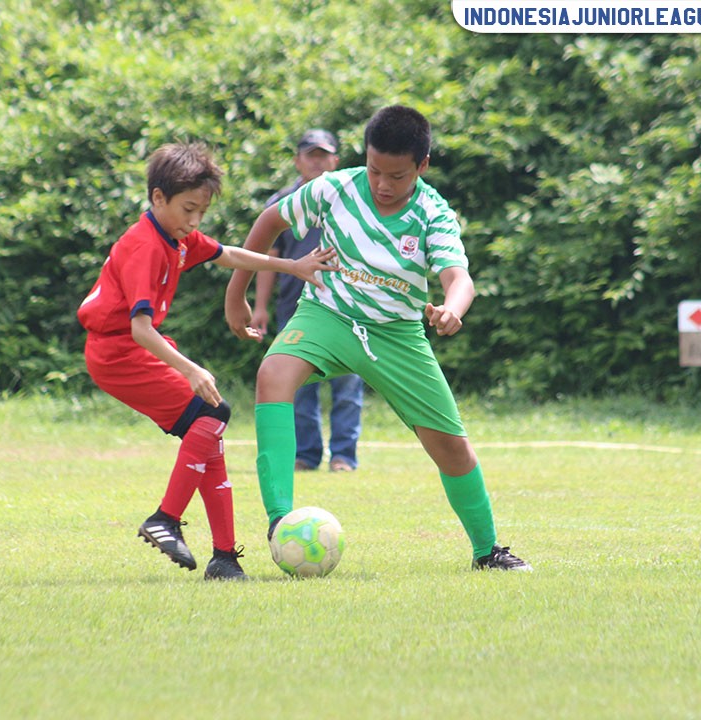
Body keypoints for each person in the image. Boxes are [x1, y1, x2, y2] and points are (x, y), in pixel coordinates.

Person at [225, 106, 531, 571]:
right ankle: (280, 522)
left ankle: (488, 551)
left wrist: (453, 308)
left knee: (450, 445)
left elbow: (458, 275)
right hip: (327, 314)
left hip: (397, 335)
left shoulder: (432, 212)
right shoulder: (332, 188)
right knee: (272, 375)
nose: (383, 184)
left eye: (397, 175)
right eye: (374, 170)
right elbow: (270, 222)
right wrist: (236, 293)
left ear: (422, 167)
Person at [78, 142, 336, 581]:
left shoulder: (174, 237)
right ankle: (165, 518)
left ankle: (224, 558)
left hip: (131, 348)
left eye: (201, 212)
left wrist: (292, 266)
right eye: (188, 209)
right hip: (120, 353)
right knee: (215, 411)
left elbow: (229, 255)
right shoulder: (145, 247)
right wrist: (191, 369)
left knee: (208, 432)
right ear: (158, 198)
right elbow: (141, 329)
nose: (194, 221)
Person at [249, 129, 364, 473]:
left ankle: (343, 456)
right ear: (297, 160)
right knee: (296, 385)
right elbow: (267, 258)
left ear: (336, 161)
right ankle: (306, 455)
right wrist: (259, 305)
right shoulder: (282, 203)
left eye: (323, 155)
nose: (317, 161)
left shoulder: (353, 202)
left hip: (346, 307)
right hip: (294, 308)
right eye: (310, 154)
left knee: (347, 385)